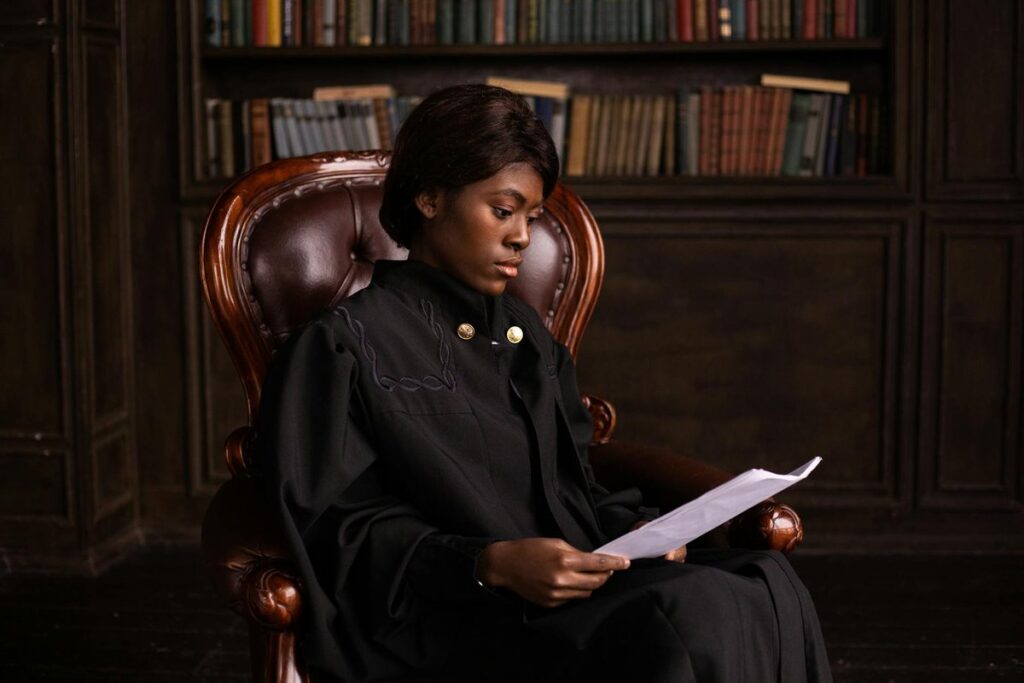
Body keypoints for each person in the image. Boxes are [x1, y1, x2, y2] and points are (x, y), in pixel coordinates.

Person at [253, 83, 833, 683]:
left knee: (766, 579)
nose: (522, 238)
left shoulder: (525, 334)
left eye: (530, 217)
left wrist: (633, 533)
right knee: (691, 608)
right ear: (429, 197)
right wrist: (490, 564)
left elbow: (570, 483)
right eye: (503, 211)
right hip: (452, 613)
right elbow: (336, 531)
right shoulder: (341, 345)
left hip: (568, 588)